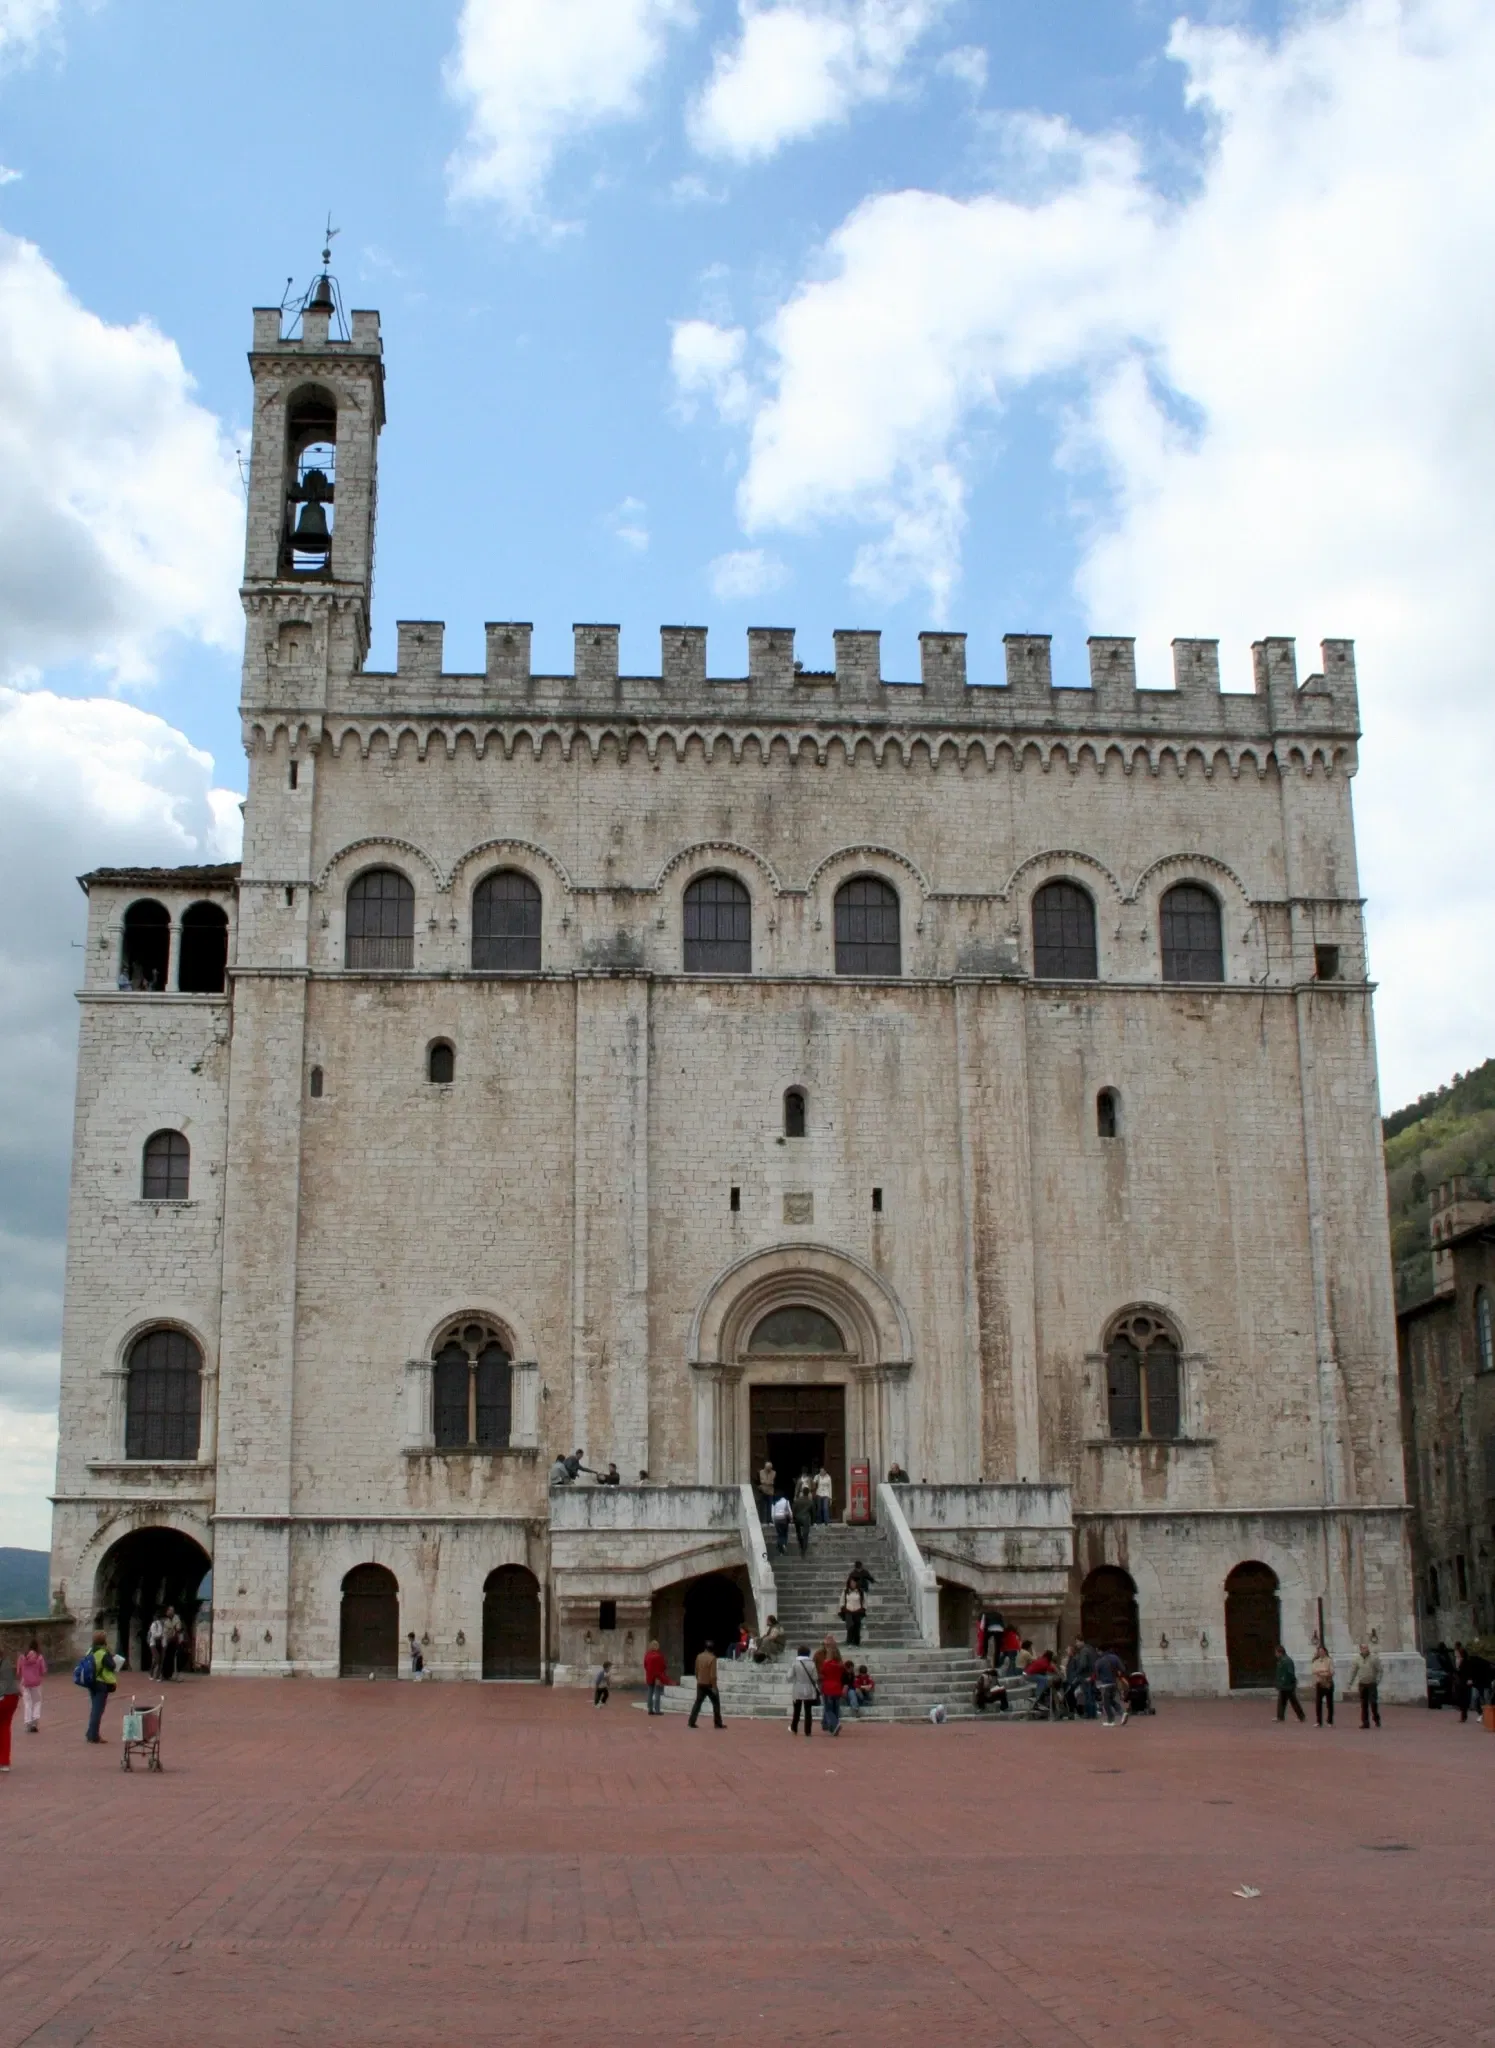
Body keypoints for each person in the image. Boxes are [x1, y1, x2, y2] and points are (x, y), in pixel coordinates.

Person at [83, 1632, 117, 1743]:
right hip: (101, 1683)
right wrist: (111, 1655)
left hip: (91, 1681)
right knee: (98, 1710)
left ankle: (90, 1732)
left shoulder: (90, 1651)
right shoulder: (103, 1653)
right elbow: (112, 1666)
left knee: (94, 1708)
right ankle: (94, 1735)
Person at [687, 1641, 723, 1728]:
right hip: (709, 1684)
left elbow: (696, 1670)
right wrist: (714, 1686)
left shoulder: (699, 1656)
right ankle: (717, 1723)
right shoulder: (712, 1658)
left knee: (698, 1702)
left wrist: (698, 1678)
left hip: (700, 1683)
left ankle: (691, 1721)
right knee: (716, 1703)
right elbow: (713, 1675)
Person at [1455, 1644, 1494, 1722]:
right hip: (1477, 1684)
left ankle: (1487, 1716)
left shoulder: (1472, 1661)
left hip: (1483, 1682)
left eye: (1458, 1656)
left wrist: (1471, 1679)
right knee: (1476, 1700)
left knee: (1485, 1699)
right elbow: (1462, 1674)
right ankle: (1482, 1715)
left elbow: (1474, 1672)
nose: (1457, 1658)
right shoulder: (1464, 1663)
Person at [1347, 1641, 1380, 1729]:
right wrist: (1350, 1682)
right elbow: (1353, 1671)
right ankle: (1365, 1722)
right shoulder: (1357, 1659)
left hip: (1372, 1683)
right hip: (1362, 1684)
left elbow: (1380, 1670)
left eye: (1366, 1648)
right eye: (1363, 1648)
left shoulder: (1374, 1658)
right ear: (1360, 1649)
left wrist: (1377, 1680)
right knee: (1364, 1704)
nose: (1365, 1649)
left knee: (1373, 1703)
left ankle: (1376, 1718)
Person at [18, 1638, 46, 1734]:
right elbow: (43, 1671)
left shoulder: (22, 1657)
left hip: (25, 1683)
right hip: (36, 1683)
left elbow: (18, 1671)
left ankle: (28, 1722)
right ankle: (35, 1722)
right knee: (37, 1702)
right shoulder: (39, 1657)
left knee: (27, 1703)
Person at [790, 1645, 818, 1736]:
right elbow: (815, 1677)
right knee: (808, 1711)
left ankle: (794, 1728)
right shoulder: (812, 1664)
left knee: (796, 1710)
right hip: (808, 1688)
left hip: (797, 1688)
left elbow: (789, 1676)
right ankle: (808, 1731)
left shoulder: (795, 1663)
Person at [818, 1639, 845, 1735]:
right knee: (835, 1709)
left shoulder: (826, 1664)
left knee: (828, 1709)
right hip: (837, 1687)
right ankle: (832, 1728)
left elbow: (822, 1673)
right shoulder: (840, 1665)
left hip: (828, 1688)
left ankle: (834, 1724)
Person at [1094, 1645, 1127, 1725]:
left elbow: (1096, 1674)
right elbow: (1123, 1669)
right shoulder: (1115, 1657)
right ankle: (1122, 1713)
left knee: (1106, 1703)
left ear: (1099, 1651)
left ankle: (1111, 1720)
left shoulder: (1099, 1661)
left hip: (1105, 1684)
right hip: (1114, 1683)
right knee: (1111, 1700)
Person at [1274, 1643, 1305, 1723]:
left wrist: (1284, 1682)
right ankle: (1281, 1717)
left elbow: (1289, 1673)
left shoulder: (1286, 1661)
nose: (1276, 1654)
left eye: (1276, 1653)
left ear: (1280, 1652)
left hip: (1287, 1685)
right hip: (1286, 1685)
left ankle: (1300, 1716)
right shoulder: (1282, 1660)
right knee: (1284, 1701)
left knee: (1290, 1701)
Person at [1310, 1641, 1336, 1727]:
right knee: (1318, 1703)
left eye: (1322, 1651)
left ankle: (1330, 1721)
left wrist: (1321, 1672)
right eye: (1319, 1651)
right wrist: (1324, 1671)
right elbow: (1314, 1671)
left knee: (1329, 1703)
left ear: (1325, 1652)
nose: (1321, 1653)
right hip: (1319, 1683)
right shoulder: (1316, 1661)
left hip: (1328, 1683)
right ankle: (1319, 1721)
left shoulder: (1329, 1660)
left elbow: (1331, 1672)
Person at [0, 1652, 19, 1770]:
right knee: (5, 1727)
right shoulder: (5, 1661)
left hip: (3, 1697)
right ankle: (4, 1761)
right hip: (12, 1697)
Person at [643, 1639, 668, 1716]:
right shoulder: (659, 1656)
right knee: (657, 1693)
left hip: (649, 1676)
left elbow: (645, 1665)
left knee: (650, 1693)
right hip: (657, 1677)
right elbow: (663, 1666)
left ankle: (650, 1709)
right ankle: (657, 1709)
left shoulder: (647, 1655)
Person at [841, 1572, 866, 1647]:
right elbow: (842, 1601)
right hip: (848, 1611)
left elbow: (865, 1602)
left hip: (857, 1611)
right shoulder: (845, 1591)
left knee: (857, 1626)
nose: (853, 1584)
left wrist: (863, 1609)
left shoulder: (861, 1592)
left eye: (854, 1583)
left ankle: (856, 1643)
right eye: (851, 1583)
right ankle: (849, 1642)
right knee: (850, 1625)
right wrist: (843, 1608)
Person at [791, 1487, 813, 1556]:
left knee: (798, 1533)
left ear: (802, 1492)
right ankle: (804, 1550)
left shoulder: (797, 1501)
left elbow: (793, 1510)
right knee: (805, 1535)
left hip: (797, 1519)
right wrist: (812, 1521)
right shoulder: (810, 1501)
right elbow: (813, 1512)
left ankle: (801, 1544)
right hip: (806, 1519)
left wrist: (793, 1518)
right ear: (808, 1493)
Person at [161, 1608, 180, 1681]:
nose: (168, 1612)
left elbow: (178, 1628)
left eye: (169, 1611)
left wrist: (173, 1631)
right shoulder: (166, 1621)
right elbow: (165, 1632)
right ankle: (165, 1674)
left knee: (172, 1657)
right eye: (167, 1611)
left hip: (174, 1641)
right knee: (166, 1657)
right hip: (167, 1640)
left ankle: (169, 1674)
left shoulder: (176, 1618)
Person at [147, 1611, 165, 1681]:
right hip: (153, 1644)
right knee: (157, 1659)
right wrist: (160, 1635)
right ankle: (154, 1674)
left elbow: (164, 1634)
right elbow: (154, 1635)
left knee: (157, 1660)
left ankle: (156, 1675)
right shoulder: (154, 1624)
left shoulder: (162, 1625)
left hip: (160, 1644)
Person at [758, 1458, 776, 1524]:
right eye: (767, 1468)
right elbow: (762, 1481)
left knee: (769, 1507)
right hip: (763, 1490)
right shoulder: (761, 1472)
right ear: (765, 1467)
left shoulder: (774, 1472)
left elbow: (770, 1481)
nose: (768, 1470)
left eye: (770, 1468)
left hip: (770, 1492)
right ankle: (761, 1520)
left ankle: (769, 1520)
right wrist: (768, 1482)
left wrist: (766, 1482)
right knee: (762, 1506)